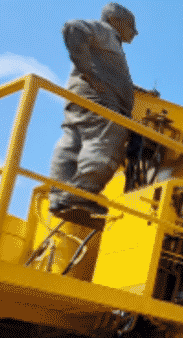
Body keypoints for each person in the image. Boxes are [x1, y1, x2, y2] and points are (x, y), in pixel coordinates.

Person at [48, 3, 139, 218]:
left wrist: (130, 88)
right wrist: (88, 73)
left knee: (73, 142)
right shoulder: (105, 31)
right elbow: (73, 28)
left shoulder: (107, 41)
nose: (135, 33)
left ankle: (59, 196)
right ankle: (82, 194)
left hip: (81, 100)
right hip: (99, 101)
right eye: (131, 26)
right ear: (116, 21)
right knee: (110, 135)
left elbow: (107, 71)